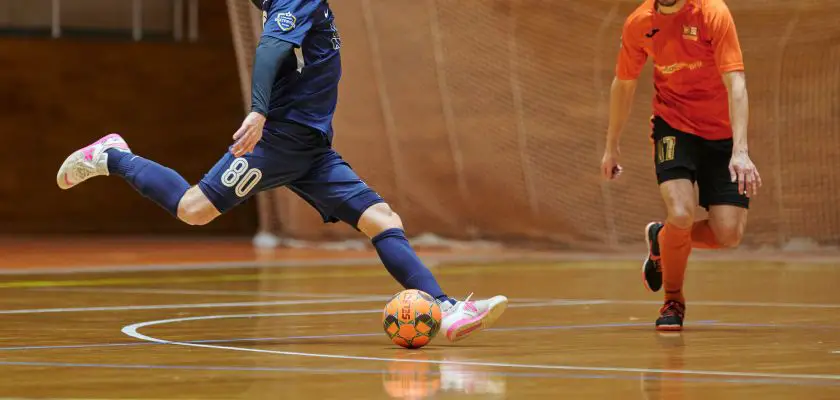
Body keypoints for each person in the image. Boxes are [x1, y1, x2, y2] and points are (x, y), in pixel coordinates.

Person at [56, 0, 507, 342]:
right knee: (193, 209)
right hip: (277, 141)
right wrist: (258, 111)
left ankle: (445, 308)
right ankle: (113, 156)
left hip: (311, 147)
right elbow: (271, 49)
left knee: (383, 220)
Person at [600, 0, 761, 331]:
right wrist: (610, 145)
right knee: (681, 213)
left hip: (722, 133)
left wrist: (740, 151)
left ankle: (663, 239)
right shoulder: (639, 23)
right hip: (674, 125)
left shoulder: (712, 12)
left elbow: (737, 82)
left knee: (727, 234)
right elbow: (624, 84)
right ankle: (673, 299)